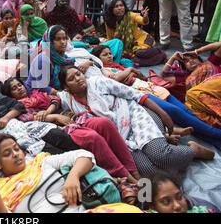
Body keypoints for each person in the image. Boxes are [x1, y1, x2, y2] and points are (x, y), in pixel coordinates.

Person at [58, 65, 215, 177]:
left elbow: (136, 95)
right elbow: (47, 96)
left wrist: (163, 114)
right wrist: (51, 115)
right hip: (121, 137)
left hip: (135, 116)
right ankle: (173, 153)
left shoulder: (98, 82)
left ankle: (194, 151)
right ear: (66, 87)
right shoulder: (69, 101)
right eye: (71, 79)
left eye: (78, 74)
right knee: (148, 171)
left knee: (161, 155)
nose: (78, 79)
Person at [2, 77, 140, 182]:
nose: (19, 88)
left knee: (105, 123)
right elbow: (27, 120)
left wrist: (50, 111)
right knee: (93, 138)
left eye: (20, 85)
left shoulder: (36, 95)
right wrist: (53, 116)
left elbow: (55, 99)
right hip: (58, 128)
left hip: (71, 118)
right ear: (10, 94)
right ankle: (126, 176)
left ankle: (134, 170)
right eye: (14, 88)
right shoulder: (17, 107)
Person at [92, 44, 221, 148]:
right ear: (98, 58)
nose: (109, 56)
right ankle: (218, 135)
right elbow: (114, 83)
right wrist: (131, 71)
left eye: (110, 53)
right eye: (105, 54)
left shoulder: (119, 65)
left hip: (154, 88)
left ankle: (216, 141)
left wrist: (197, 51)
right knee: (178, 112)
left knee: (187, 114)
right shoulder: (102, 72)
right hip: (141, 93)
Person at [0, 133, 95, 213]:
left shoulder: (41, 163)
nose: (15, 154)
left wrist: (73, 176)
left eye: (16, 149)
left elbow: (84, 155)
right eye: (7, 154)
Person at [104, 0, 167, 66]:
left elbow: (143, 21)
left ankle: (158, 51)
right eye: (116, 6)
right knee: (134, 60)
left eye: (121, 5)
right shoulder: (109, 22)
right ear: (112, 10)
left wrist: (145, 17)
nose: (119, 8)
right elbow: (110, 40)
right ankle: (161, 57)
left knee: (140, 53)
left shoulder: (130, 15)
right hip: (131, 47)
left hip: (143, 39)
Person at [25, 26, 76, 96]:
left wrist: (86, 64)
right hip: (36, 94)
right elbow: (40, 86)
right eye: (58, 39)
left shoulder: (61, 57)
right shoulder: (43, 60)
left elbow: (71, 69)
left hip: (54, 91)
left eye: (64, 38)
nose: (63, 42)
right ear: (50, 42)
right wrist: (60, 94)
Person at [149, 171, 220, 213]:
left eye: (179, 197)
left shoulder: (205, 209)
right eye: (166, 202)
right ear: (153, 207)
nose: (177, 206)